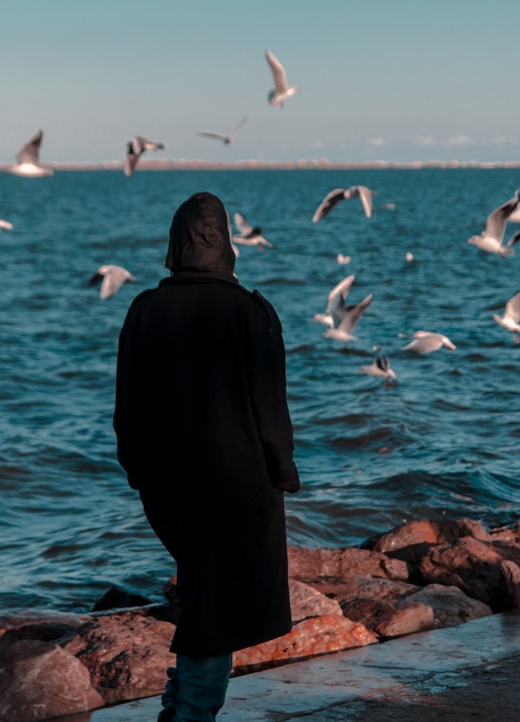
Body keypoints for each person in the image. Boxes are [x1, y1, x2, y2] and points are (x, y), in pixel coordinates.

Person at [113, 191, 301, 721]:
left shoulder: (144, 310)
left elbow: (126, 406)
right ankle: (190, 715)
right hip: (238, 486)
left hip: (167, 487)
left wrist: (137, 470)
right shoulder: (251, 312)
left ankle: (178, 709)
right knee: (215, 609)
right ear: (227, 247)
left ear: (175, 246)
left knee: (202, 590)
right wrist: (283, 471)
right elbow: (270, 409)